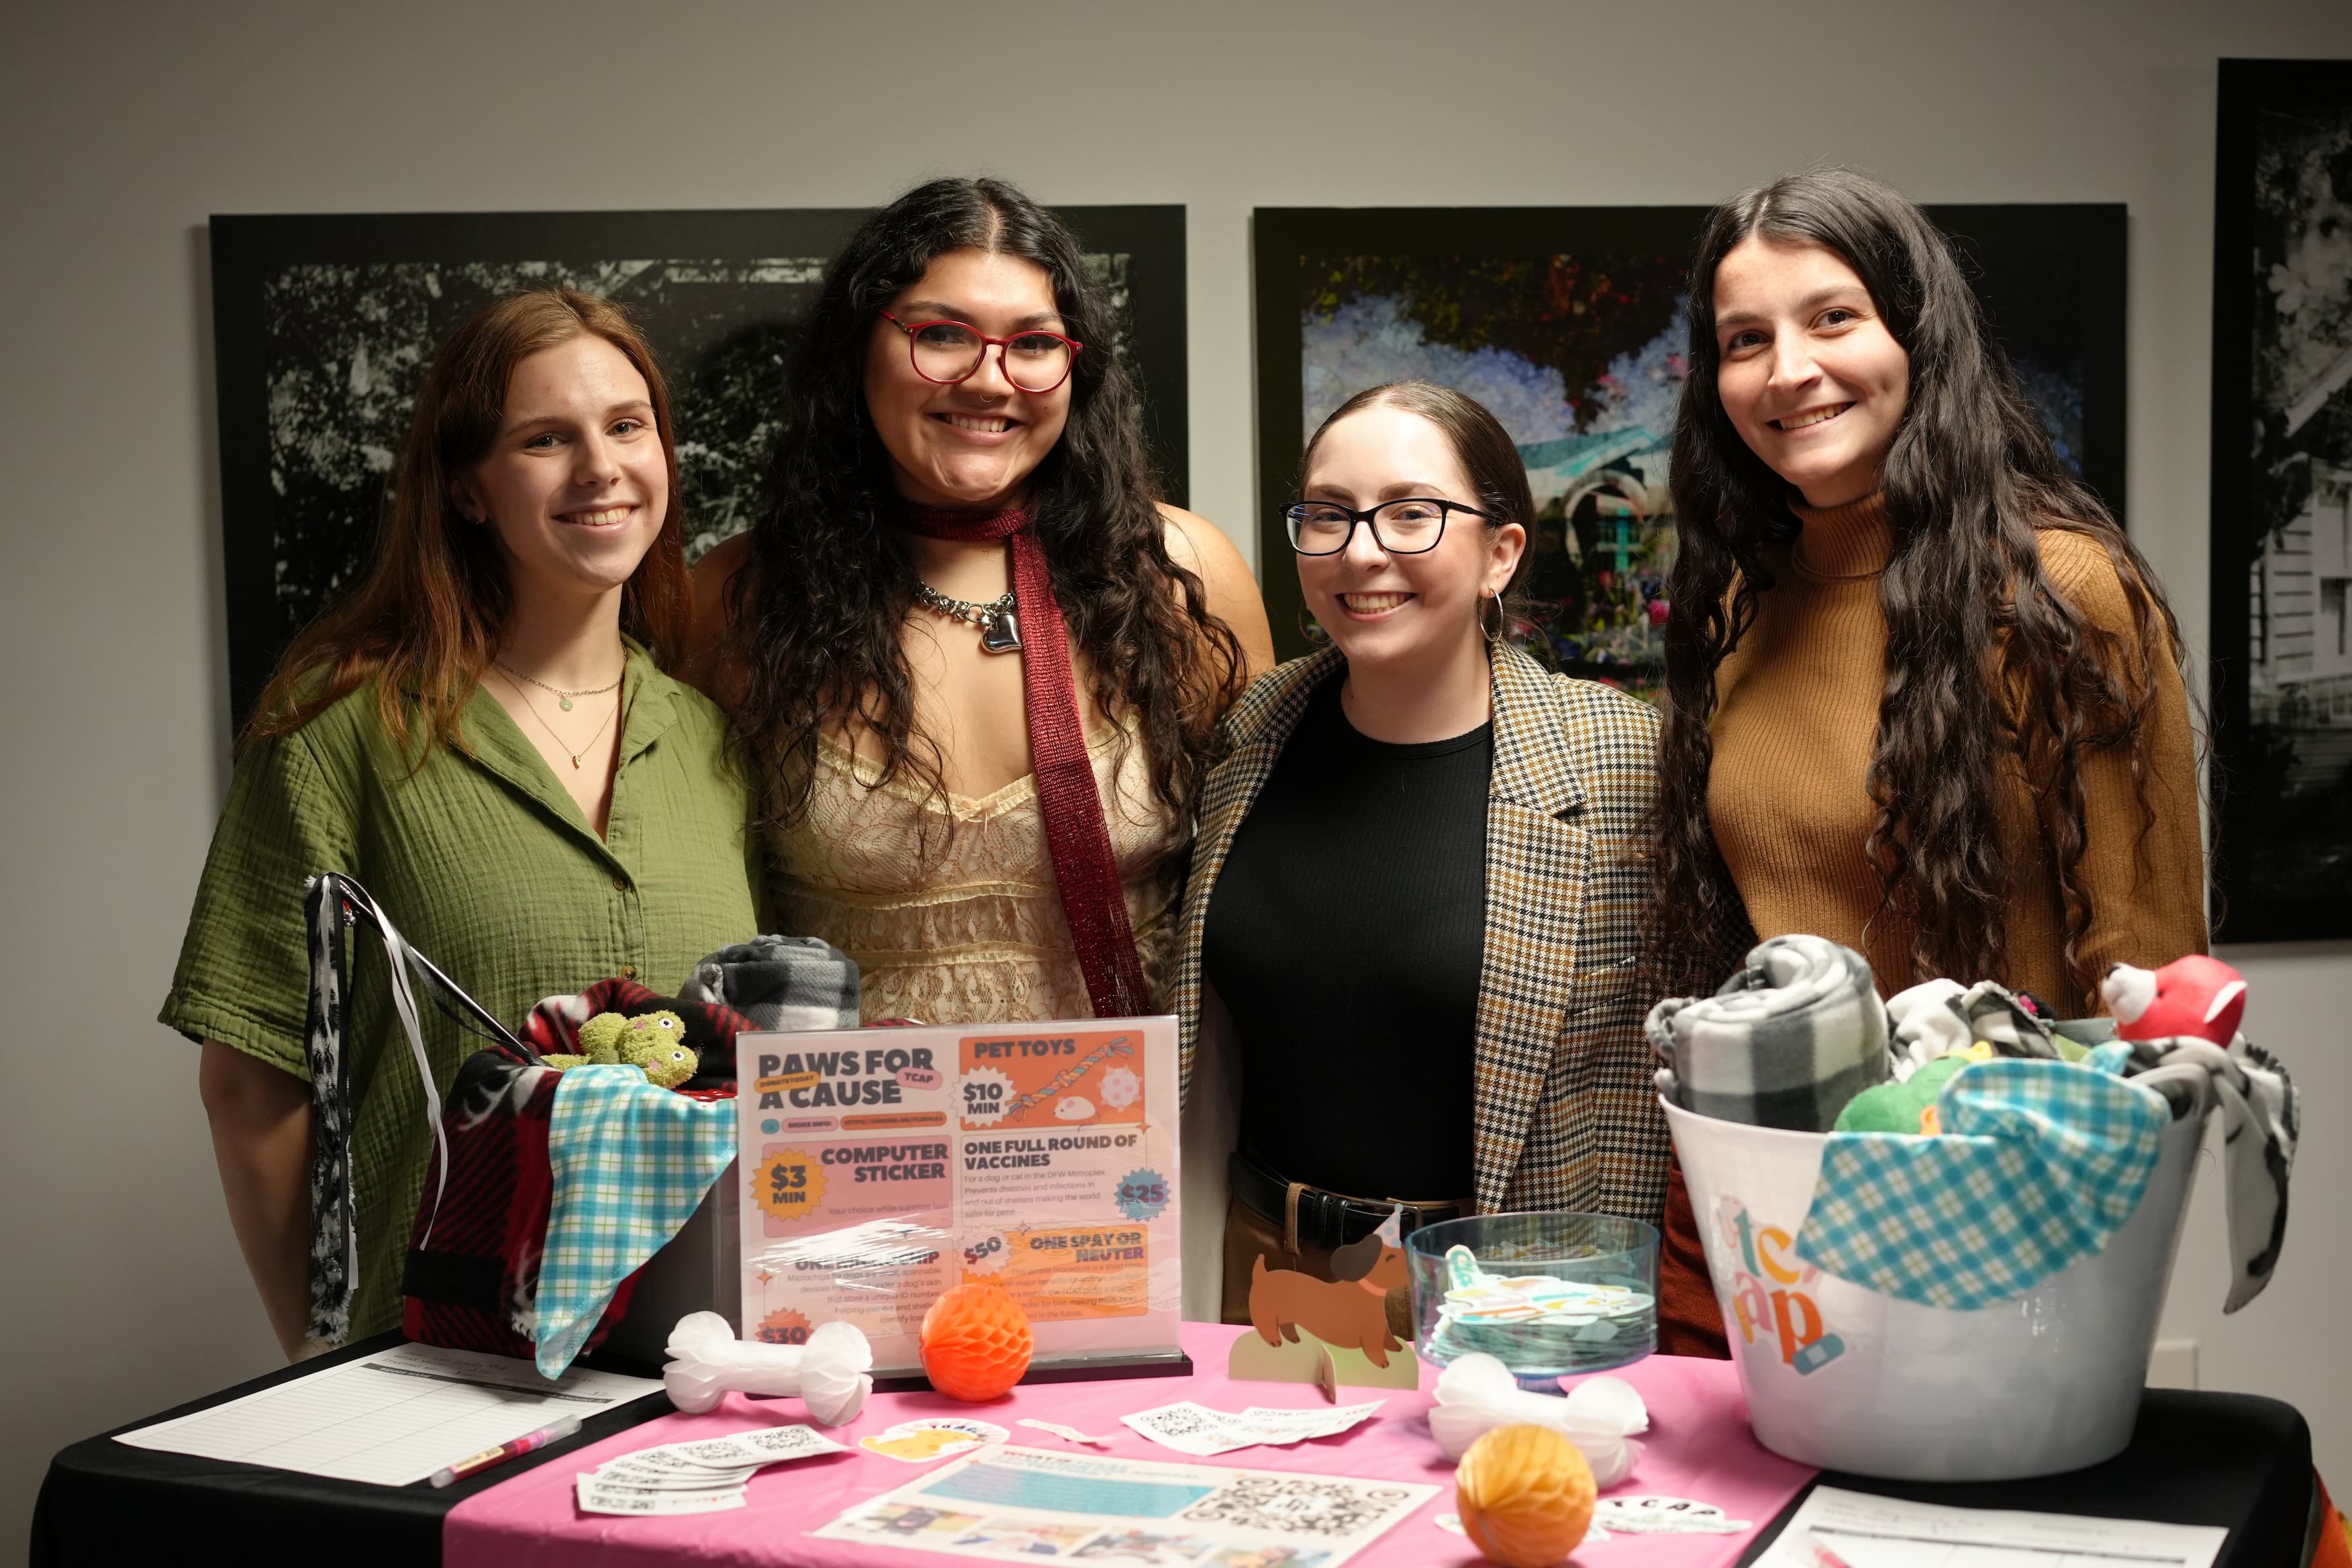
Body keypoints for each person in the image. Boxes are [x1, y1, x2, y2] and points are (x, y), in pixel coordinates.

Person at [165, 289, 759, 1355]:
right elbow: (251, 1084)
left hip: (705, 1357)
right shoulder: (337, 733)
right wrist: (323, 1349)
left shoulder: (719, 746)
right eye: (544, 439)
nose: (600, 468)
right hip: (436, 1360)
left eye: (628, 426)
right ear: (468, 490)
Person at [693, 177, 1272, 1026]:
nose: (989, 380)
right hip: (854, 1140)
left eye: (1033, 343)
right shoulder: (742, 598)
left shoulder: (1179, 573)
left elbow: (1279, 886)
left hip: (1143, 1138)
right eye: (941, 334)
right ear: (859, 348)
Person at [1169, 381, 1677, 1333]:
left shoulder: (1624, 764)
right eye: (1329, 515)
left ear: (1501, 553)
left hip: (1511, 1290)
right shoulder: (1251, 735)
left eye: (1411, 514)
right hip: (1267, 1279)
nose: (1362, 552)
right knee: (1284, 1486)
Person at [1649, 168, 2205, 1013]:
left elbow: (2148, 980)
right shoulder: (1739, 608)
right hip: (1777, 1140)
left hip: (2007, 1138)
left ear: (1917, 336)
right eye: (1746, 340)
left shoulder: (2057, 588)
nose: (1789, 371)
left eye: (1833, 317)